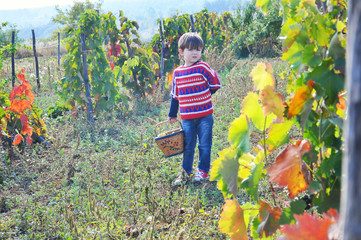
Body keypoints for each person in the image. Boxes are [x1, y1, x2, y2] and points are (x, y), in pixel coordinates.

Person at [168, 32, 221, 185]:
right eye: (190, 49)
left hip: (205, 115)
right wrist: (172, 114)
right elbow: (175, 95)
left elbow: (215, 83)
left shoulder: (203, 67)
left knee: (204, 144)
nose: (195, 53)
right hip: (187, 118)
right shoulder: (177, 73)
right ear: (181, 52)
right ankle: (186, 172)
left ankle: (203, 171)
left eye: (198, 49)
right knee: (188, 145)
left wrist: (204, 95)